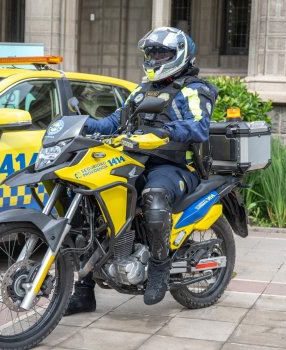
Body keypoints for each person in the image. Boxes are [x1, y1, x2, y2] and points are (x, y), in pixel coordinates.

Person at [65, 26, 218, 315]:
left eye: (163, 53)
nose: (156, 58)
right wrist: (82, 123)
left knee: (154, 195)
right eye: (152, 53)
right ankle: (84, 290)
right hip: (136, 162)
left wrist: (164, 131)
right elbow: (114, 122)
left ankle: (160, 266)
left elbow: (198, 126)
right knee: (89, 204)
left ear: (180, 56)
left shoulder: (195, 90)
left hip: (174, 167)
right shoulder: (141, 90)